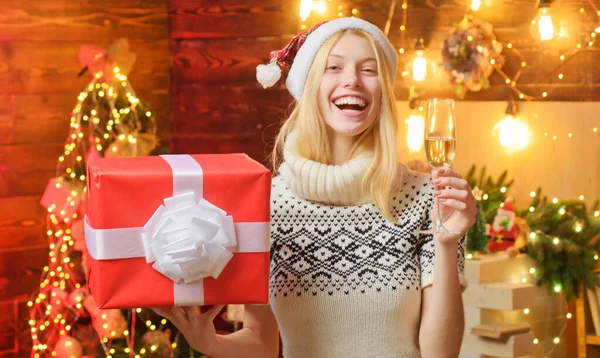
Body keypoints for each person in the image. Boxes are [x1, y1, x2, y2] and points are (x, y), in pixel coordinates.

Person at [154, 17, 477, 358]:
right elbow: (261, 342)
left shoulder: (426, 198)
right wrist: (210, 343)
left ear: (383, 90)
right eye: (333, 67)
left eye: (368, 70)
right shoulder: (268, 205)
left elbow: (440, 353)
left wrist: (446, 242)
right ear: (308, 85)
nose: (351, 80)